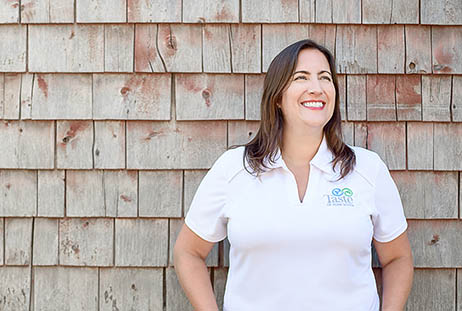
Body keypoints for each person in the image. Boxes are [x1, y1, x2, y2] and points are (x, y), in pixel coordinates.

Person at [173, 39, 413, 311]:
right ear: (277, 96)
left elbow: (398, 258)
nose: (317, 88)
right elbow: (188, 252)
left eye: (325, 78)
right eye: (301, 77)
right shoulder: (234, 169)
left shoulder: (368, 170)